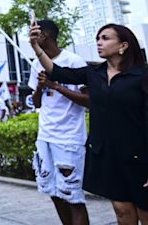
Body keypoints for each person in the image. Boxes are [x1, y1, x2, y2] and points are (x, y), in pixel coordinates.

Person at [30, 22, 148, 224]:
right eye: (97, 39)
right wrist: (35, 47)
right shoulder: (94, 73)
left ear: (124, 46)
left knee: (145, 211)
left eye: (106, 38)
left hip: (139, 154)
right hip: (110, 153)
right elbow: (57, 71)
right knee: (122, 211)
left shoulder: (142, 76)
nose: (99, 43)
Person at [28, 20, 90, 225]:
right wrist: (39, 86)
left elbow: (89, 100)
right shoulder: (36, 63)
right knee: (53, 192)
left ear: (44, 36)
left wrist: (55, 85)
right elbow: (37, 102)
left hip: (69, 138)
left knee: (73, 196)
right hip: (45, 136)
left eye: (34, 34)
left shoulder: (73, 60)